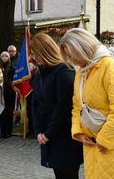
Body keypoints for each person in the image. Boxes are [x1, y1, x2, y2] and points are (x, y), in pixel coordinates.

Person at [60, 28, 114, 179]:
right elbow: (77, 105)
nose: (73, 60)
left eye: (73, 55)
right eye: (69, 57)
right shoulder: (81, 71)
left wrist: (104, 140)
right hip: (91, 143)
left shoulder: (111, 68)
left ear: (83, 48)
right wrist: (79, 132)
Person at [30, 33, 83, 179]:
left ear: (47, 50)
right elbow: (35, 103)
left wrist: (48, 134)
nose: (34, 57)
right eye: (32, 53)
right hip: (47, 133)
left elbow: (64, 107)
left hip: (64, 134)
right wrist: (38, 131)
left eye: (37, 53)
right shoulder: (38, 73)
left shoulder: (64, 70)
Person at [0, 51, 16, 138]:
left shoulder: (12, 68)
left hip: (10, 93)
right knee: (1, 112)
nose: (4, 57)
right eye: (3, 56)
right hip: (0, 92)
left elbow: (13, 81)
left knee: (9, 112)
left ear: (8, 58)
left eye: (6, 56)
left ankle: (8, 131)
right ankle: (1, 131)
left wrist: (5, 77)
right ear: (1, 58)